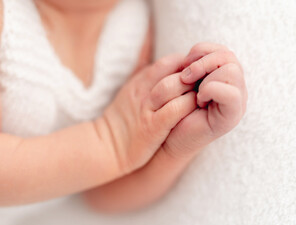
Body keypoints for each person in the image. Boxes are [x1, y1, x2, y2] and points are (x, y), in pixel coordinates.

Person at [0, 0, 247, 212]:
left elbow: (101, 193)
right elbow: (117, 152)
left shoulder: (131, 31)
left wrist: (176, 146)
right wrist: (111, 143)